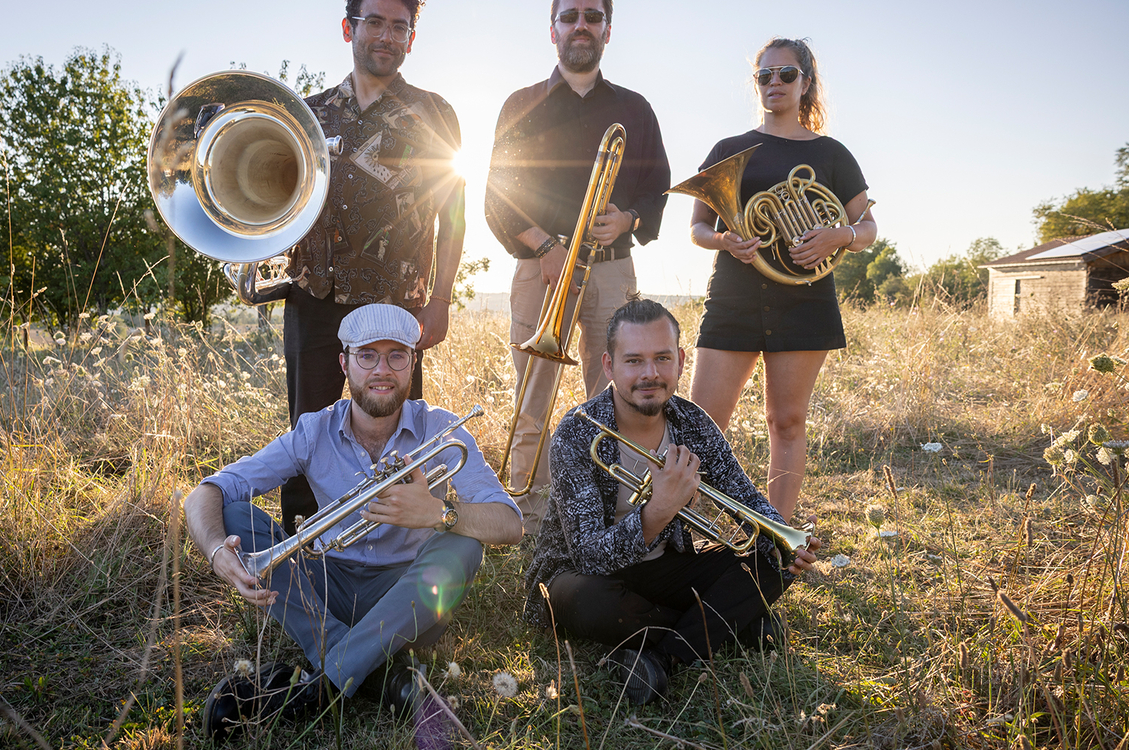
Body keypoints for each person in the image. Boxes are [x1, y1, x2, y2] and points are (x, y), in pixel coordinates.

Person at [185, 304, 522, 740]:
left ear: (412, 363)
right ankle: (379, 674)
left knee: (463, 544)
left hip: (410, 598)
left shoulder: (444, 430)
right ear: (344, 363)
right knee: (234, 514)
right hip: (329, 586)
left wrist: (437, 514)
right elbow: (207, 492)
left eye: (396, 355)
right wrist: (215, 551)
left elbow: (510, 523)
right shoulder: (313, 431)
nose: (382, 370)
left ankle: (323, 681)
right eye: (367, 356)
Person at [523, 298, 820, 705]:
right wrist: (657, 510)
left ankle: (664, 658)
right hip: (583, 577)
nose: (650, 374)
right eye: (634, 361)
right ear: (609, 366)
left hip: (665, 565)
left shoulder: (693, 422)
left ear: (680, 361)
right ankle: (730, 625)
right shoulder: (577, 433)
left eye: (662, 358)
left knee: (770, 562)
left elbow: (744, 497)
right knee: (593, 605)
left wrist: (784, 540)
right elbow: (589, 556)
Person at [484, 0, 670, 534]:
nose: (580, 25)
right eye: (570, 16)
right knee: (531, 406)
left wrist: (629, 219)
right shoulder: (522, 103)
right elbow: (498, 193)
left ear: (608, 30)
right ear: (553, 30)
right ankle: (532, 522)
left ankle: (617, 521)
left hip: (612, 269)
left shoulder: (635, 109)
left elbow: (658, 187)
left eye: (592, 15)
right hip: (542, 271)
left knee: (622, 401)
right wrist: (545, 246)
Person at [280, 0, 465, 534]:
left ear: (412, 36)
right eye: (375, 22)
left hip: (397, 307)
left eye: (399, 26)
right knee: (307, 434)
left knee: (402, 436)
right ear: (348, 29)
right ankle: (300, 556)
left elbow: (453, 216)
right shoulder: (305, 115)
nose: (387, 35)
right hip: (313, 300)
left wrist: (441, 299)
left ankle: (403, 551)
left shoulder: (436, 113)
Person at [687, 37, 877, 522]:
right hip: (734, 297)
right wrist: (725, 241)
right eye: (765, 75)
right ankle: (681, 528)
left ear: (806, 83)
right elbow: (698, 228)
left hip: (805, 302)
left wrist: (838, 235)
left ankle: (778, 537)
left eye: (786, 74)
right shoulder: (728, 149)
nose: (775, 83)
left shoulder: (833, 154)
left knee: (786, 422)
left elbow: (868, 229)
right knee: (699, 427)